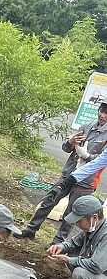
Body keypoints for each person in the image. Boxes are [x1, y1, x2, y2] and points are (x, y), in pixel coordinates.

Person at [20, 102, 107, 243]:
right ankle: (30, 230)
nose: (102, 115)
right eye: (101, 110)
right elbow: (66, 148)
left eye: (106, 113)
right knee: (49, 200)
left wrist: (87, 156)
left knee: (73, 212)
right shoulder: (86, 127)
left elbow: (101, 161)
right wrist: (70, 141)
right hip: (68, 174)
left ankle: (58, 243)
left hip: (86, 182)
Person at [47, 194, 107, 279]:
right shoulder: (93, 229)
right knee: (74, 256)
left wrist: (68, 259)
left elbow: (97, 266)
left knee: (80, 272)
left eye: (79, 220)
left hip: (101, 274)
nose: (77, 224)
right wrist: (61, 247)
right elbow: (73, 243)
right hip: (102, 278)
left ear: (94, 217)